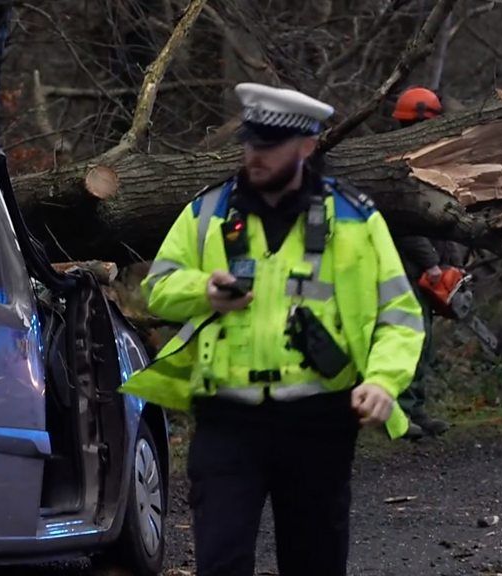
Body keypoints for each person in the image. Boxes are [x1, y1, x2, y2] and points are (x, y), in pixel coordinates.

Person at [119, 83, 425, 575]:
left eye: (269, 145)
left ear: (306, 146)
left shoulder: (354, 218)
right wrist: (204, 290)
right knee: (221, 561)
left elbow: (400, 315)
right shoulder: (208, 210)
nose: (253, 155)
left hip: (319, 421)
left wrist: (383, 382)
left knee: (315, 561)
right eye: (249, 142)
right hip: (227, 420)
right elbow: (157, 288)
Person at [391, 86, 451, 438]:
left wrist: (450, 261)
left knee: (423, 341)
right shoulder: (400, 163)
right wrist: (432, 264)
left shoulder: (429, 158)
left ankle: (415, 406)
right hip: (402, 266)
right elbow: (406, 222)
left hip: (422, 263)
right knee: (409, 339)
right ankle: (400, 412)